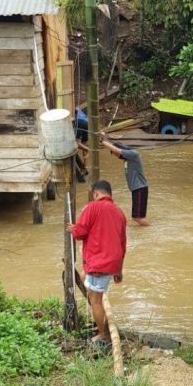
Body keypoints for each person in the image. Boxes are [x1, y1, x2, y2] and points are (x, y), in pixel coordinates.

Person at [67, 179, 128, 343]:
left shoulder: (91, 207)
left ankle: (102, 335)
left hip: (98, 262)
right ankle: (104, 325)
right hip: (112, 262)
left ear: (96, 194)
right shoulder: (119, 213)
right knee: (87, 281)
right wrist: (119, 271)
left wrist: (73, 229)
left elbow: (80, 233)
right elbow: (122, 244)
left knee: (95, 300)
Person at [100, 135, 150, 226]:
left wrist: (103, 142)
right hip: (137, 189)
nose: (116, 156)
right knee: (137, 217)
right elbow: (116, 148)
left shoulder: (133, 154)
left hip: (139, 189)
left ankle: (151, 230)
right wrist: (103, 138)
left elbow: (117, 150)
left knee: (137, 217)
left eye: (115, 154)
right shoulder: (128, 158)